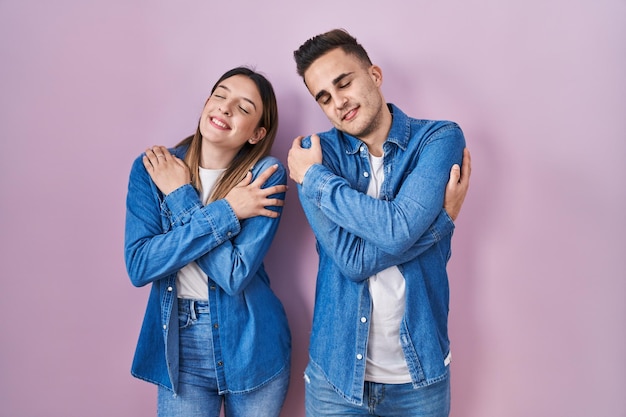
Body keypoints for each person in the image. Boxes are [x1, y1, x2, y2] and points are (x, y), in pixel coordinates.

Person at [287, 29, 471, 416]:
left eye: (344, 83)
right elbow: (353, 263)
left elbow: (398, 228)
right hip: (335, 377)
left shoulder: (438, 139)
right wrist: (442, 223)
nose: (338, 103)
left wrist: (317, 180)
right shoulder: (316, 153)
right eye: (324, 97)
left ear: (375, 74)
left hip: (419, 375)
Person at [124, 67, 291, 417]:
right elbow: (140, 266)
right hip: (179, 348)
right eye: (220, 95)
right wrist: (230, 210)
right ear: (206, 103)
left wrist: (181, 196)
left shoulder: (265, 176)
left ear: (257, 134)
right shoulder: (153, 169)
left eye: (244, 108)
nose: (226, 108)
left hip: (252, 343)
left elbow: (233, 275)